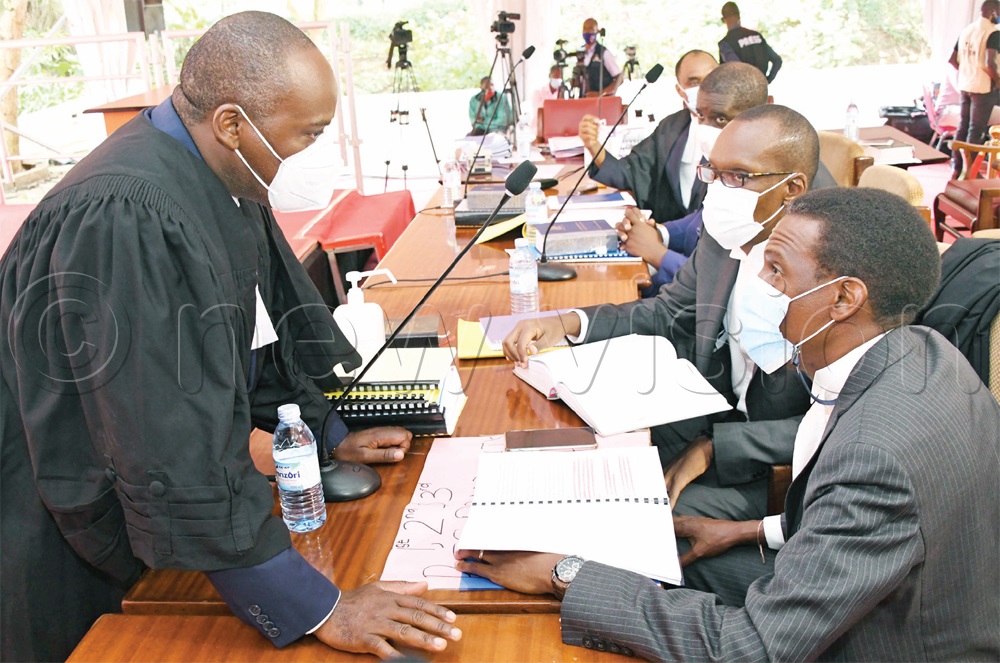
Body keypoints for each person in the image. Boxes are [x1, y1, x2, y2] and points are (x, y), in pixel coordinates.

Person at [0, 12, 461, 662]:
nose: (316, 153)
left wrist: (325, 435)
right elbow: (168, 435)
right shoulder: (128, 216)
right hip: (65, 529)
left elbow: (259, 331)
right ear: (232, 124)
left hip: (145, 496)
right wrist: (316, 604)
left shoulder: (223, 175)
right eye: (309, 133)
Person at [458, 187, 1000, 661]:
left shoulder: (878, 454)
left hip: (887, 645)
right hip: (878, 593)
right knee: (655, 561)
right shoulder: (921, 349)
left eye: (776, 270)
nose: (758, 281)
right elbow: (872, 531)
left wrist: (564, 572)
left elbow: (750, 649)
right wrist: (747, 531)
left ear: (843, 297)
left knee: (581, 599)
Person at [504, 104, 823, 525]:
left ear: (792, 188)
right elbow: (668, 310)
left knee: (619, 517)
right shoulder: (727, 234)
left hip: (771, 468)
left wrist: (716, 448)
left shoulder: (829, 274)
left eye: (736, 177)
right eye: (712, 172)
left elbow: (838, 421)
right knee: (571, 457)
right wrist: (567, 323)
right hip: (710, 417)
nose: (717, 191)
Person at [949, 0, 1000, 177]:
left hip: (965, 85)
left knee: (963, 127)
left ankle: (957, 167)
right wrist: (998, 81)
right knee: (976, 131)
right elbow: (990, 63)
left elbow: (952, 59)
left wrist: (967, 70)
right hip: (983, 88)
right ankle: (971, 171)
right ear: (993, 12)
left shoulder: (967, 30)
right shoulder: (993, 33)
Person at [719, 2, 782, 83]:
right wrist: (767, 80)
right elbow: (777, 60)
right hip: (761, 86)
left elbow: (736, 68)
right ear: (739, 16)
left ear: (723, 20)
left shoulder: (726, 43)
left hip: (743, 88)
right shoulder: (757, 36)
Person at [581, 18, 622, 97]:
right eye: (585, 29)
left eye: (590, 29)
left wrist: (601, 93)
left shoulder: (604, 53)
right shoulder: (580, 53)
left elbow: (620, 79)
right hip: (584, 100)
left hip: (602, 101)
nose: (587, 31)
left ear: (597, 31)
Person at [531, 65, 568, 137]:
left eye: (560, 76)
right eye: (556, 75)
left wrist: (561, 99)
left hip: (556, 131)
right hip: (538, 130)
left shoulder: (562, 93)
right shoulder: (538, 92)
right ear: (550, 75)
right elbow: (539, 111)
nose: (558, 78)